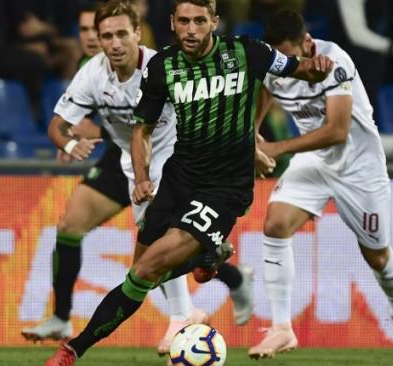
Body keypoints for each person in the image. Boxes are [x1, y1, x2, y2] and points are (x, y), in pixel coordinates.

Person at [43, 0, 331, 364]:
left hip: (225, 187)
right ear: (173, 23)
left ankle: (72, 350)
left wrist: (317, 70)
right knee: (140, 273)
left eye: (199, 21)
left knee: (150, 268)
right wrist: (143, 177)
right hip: (178, 178)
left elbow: (300, 69)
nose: (191, 29)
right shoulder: (162, 66)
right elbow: (141, 130)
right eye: (184, 21)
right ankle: (208, 255)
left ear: (214, 21)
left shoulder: (247, 52)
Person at [21, 1, 254, 356]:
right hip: (131, 162)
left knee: (153, 257)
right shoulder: (92, 72)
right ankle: (224, 271)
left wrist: (254, 143)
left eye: (120, 35)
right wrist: (70, 142)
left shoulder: (166, 66)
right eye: (102, 36)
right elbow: (58, 125)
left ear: (136, 34)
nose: (112, 43)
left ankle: (180, 317)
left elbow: (219, 108)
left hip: (177, 160)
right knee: (83, 231)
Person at [246, 9, 393, 361]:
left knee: (375, 254)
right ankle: (282, 328)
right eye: (280, 59)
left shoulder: (335, 61)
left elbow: (336, 131)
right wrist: (254, 129)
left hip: (359, 166)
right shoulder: (276, 62)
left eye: (292, 57)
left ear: (307, 43)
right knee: (275, 224)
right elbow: (267, 85)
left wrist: (275, 148)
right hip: (315, 160)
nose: (286, 65)